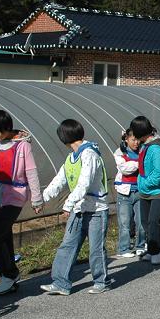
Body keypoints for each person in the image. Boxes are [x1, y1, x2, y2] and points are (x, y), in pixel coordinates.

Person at [40, 119, 112, 295]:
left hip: (96, 209)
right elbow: (60, 179)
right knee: (68, 245)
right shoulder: (71, 157)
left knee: (96, 247)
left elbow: (84, 183)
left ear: (63, 138)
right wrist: (42, 198)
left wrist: (68, 204)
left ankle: (101, 281)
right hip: (79, 208)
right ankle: (61, 283)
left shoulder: (90, 154)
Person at [0, 110, 43, 295]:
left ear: (7, 129)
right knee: (4, 236)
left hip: (13, 198)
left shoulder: (22, 146)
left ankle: (8, 274)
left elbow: (31, 172)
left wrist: (36, 199)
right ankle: (11, 277)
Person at [132, 116, 160, 266]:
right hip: (145, 190)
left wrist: (145, 184)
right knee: (145, 222)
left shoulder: (156, 148)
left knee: (153, 221)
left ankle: (155, 253)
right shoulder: (144, 146)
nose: (134, 137)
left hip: (158, 191)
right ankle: (151, 249)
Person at [112, 129, 145, 258]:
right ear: (126, 139)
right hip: (124, 193)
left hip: (139, 190)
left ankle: (140, 246)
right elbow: (125, 169)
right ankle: (124, 248)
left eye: (138, 140)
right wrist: (139, 163)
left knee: (141, 222)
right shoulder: (120, 152)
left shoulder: (142, 150)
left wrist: (134, 164)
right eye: (133, 140)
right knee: (124, 223)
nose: (136, 143)